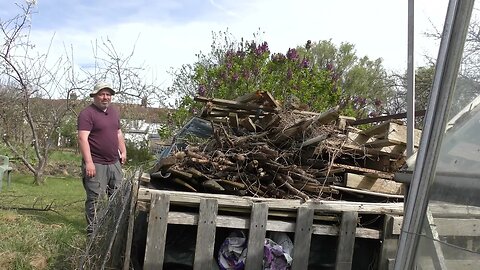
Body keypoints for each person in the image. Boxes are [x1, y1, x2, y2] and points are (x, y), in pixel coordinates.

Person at [77, 81, 127, 235]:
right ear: (95, 95)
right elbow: (82, 139)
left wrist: (123, 151)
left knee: (117, 197)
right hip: (96, 164)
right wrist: (89, 162)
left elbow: (118, 133)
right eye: (102, 94)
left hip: (114, 163)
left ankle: (113, 230)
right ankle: (93, 233)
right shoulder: (87, 114)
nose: (105, 97)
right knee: (95, 200)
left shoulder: (113, 112)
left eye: (108, 94)